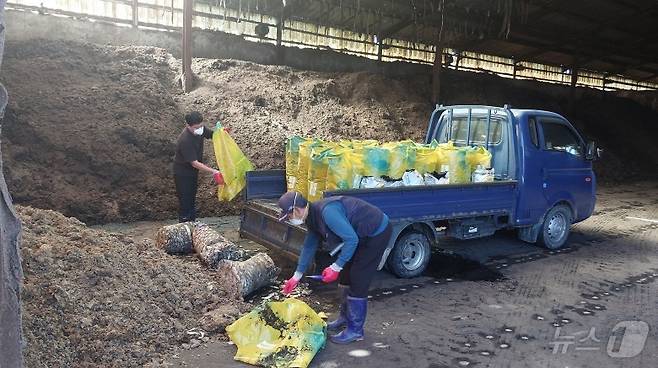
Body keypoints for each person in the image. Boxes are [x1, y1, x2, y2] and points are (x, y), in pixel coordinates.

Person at [277, 191, 392, 344]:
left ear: (296, 210)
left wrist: (336, 267)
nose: (290, 220)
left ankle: (356, 330)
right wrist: (296, 275)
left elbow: (351, 240)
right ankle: (345, 318)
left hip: (375, 233)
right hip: (358, 236)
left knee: (358, 278)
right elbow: (309, 246)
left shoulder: (328, 212)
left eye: (289, 216)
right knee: (345, 276)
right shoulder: (311, 217)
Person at [173, 111, 224, 223]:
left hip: (192, 173)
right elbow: (194, 163)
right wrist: (214, 171)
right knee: (186, 201)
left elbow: (212, 135)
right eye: (197, 127)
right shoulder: (185, 140)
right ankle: (185, 225)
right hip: (183, 174)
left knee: (191, 199)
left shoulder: (200, 130)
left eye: (201, 126)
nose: (200, 129)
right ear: (188, 126)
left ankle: (192, 225)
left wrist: (222, 134)